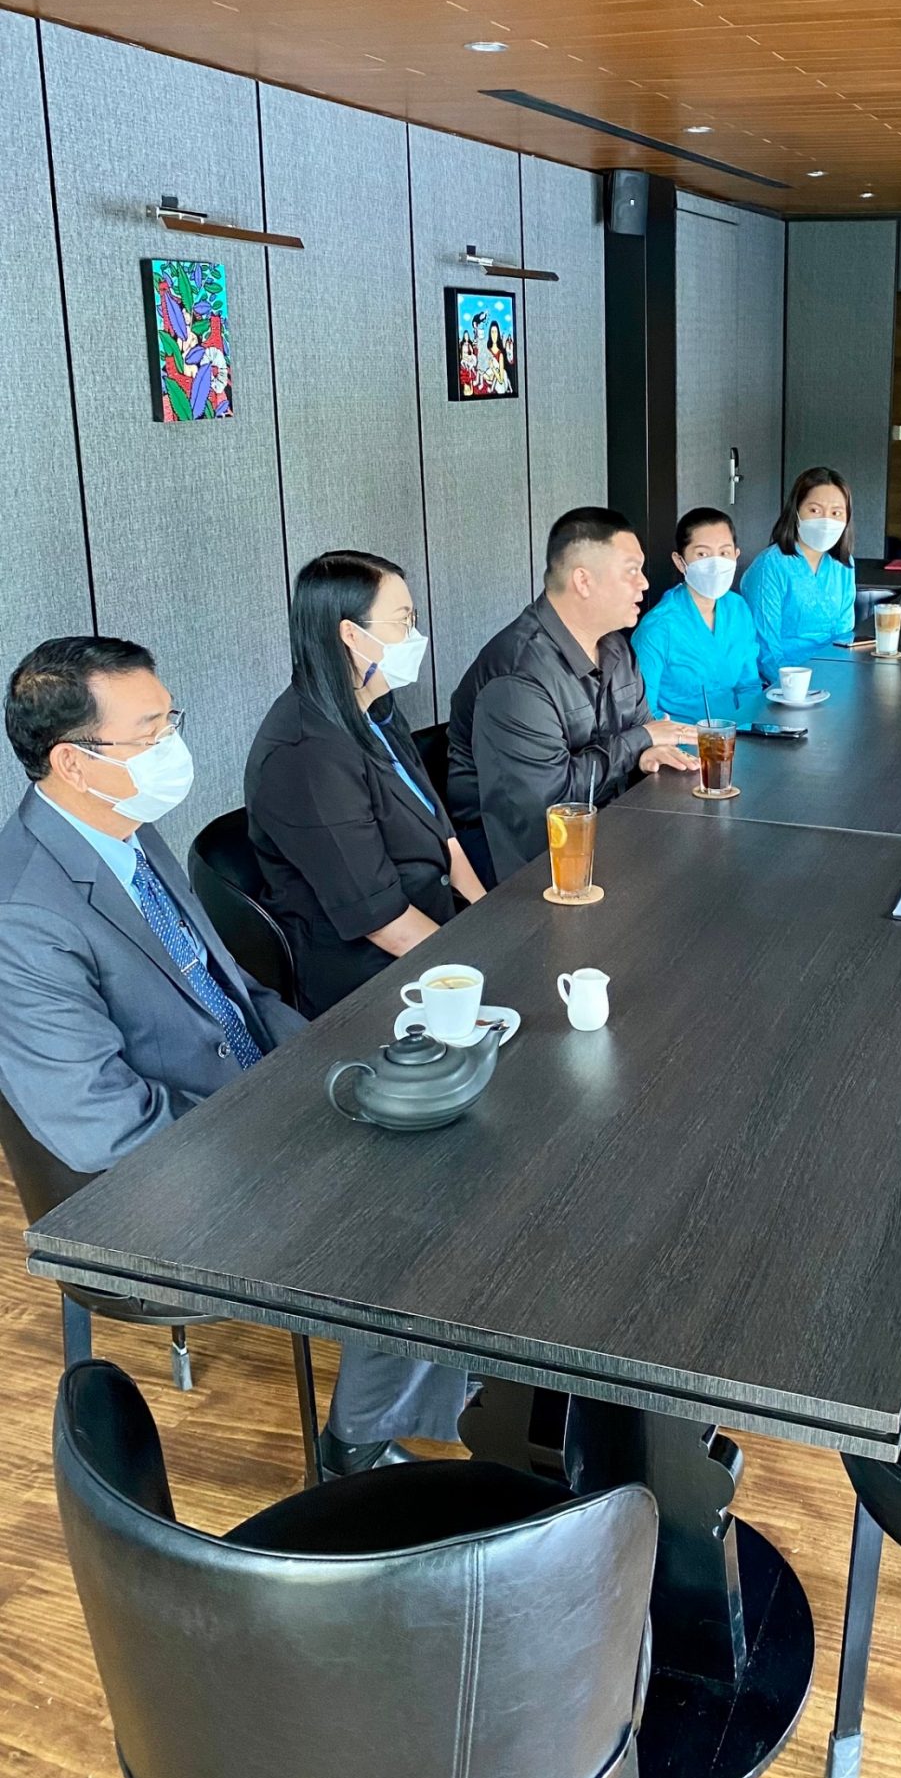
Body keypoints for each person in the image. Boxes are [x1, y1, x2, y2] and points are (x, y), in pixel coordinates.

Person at [0, 637, 466, 1475]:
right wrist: (282, 1132)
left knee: (453, 1129)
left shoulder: (126, 832)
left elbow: (237, 993)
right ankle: (355, 1449)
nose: (172, 746)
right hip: (157, 1180)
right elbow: (101, 1127)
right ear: (73, 761)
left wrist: (329, 1065)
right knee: (416, 1211)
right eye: (149, 732)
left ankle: (463, 1380)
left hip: (252, 1105)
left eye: (169, 720)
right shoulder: (22, 914)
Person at [246, 551, 486, 1019]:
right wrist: (474, 969)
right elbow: (380, 919)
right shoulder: (305, 753)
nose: (415, 636)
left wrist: (490, 919)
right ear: (351, 634)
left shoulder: (374, 705)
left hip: (437, 932)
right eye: (402, 621)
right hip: (373, 979)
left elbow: (443, 833)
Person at [447, 507, 698, 883]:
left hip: (607, 824)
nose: (644, 583)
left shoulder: (616, 646)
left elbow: (645, 731)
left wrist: (648, 750)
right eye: (631, 570)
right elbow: (549, 806)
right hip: (528, 865)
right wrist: (639, 742)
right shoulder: (517, 677)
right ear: (583, 581)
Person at [631, 507, 761, 722]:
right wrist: (691, 738)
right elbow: (644, 712)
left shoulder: (738, 609)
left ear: (736, 556)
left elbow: (748, 686)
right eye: (702, 554)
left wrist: (748, 728)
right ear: (679, 561)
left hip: (737, 732)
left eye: (724, 553)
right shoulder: (658, 627)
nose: (715, 564)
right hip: (680, 738)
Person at [740, 466, 856, 679]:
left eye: (836, 513)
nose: (826, 520)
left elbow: (844, 636)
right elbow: (766, 651)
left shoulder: (843, 564)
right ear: (796, 511)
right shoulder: (770, 567)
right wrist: (797, 688)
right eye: (815, 510)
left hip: (835, 678)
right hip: (782, 683)